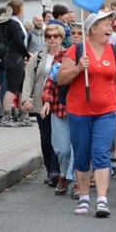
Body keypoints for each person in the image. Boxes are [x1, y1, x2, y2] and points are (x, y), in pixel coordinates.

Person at [57, 10, 116, 218]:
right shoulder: (76, 49)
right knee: (82, 156)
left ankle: (102, 200)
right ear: (93, 28)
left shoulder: (115, 51)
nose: (110, 28)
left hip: (106, 111)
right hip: (79, 111)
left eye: (110, 24)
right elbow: (61, 79)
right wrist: (79, 68)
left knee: (100, 153)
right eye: (106, 24)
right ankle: (84, 197)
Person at [21, 21, 66, 189]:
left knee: (59, 139)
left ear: (61, 37)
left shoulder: (67, 55)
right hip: (41, 102)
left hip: (60, 103)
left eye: (55, 36)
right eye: (48, 36)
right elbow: (29, 78)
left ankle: (57, 170)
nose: (52, 39)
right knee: (46, 138)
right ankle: (50, 169)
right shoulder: (39, 57)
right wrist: (26, 98)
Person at [39, 23, 75, 197]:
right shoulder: (61, 55)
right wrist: (47, 101)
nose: (77, 36)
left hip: (81, 110)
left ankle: (73, 181)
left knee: (78, 148)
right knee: (62, 149)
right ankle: (65, 173)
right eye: (73, 33)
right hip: (60, 108)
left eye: (79, 33)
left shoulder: (89, 55)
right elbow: (51, 80)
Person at [0, 0, 31, 128]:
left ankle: (22, 115)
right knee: (12, 87)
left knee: (21, 87)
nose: (23, 10)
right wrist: (28, 54)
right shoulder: (13, 24)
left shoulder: (10, 23)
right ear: (18, 9)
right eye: (22, 8)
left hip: (14, 58)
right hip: (15, 58)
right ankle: (6, 116)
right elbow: (19, 43)